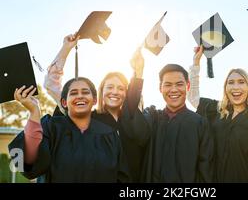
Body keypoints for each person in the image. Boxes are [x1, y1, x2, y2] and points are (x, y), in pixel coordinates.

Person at [44, 34, 149, 182]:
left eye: (121, 88)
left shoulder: (134, 120)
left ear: (126, 93)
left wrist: (138, 70)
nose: (115, 92)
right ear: (101, 91)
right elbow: (51, 85)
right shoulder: (86, 118)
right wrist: (66, 48)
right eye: (110, 87)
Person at [9, 80, 130, 182]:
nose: (80, 96)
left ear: (94, 100)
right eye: (73, 93)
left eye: (85, 92)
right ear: (64, 102)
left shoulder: (109, 135)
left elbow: (121, 177)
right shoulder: (51, 127)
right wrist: (34, 112)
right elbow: (27, 164)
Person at [188, 46, 248, 183]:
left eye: (241, 82)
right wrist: (196, 63)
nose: (236, 87)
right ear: (225, 88)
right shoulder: (217, 111)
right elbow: (193, 98)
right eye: (231, 83)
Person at [130, 59, 213, 183]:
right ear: (160, 88)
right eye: (168, 84)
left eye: (179, 84)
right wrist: (138, 74)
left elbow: (205, 171)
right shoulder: (153, 118)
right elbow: (137, 128)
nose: (174, 90)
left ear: (188, 86)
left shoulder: (200, 124)